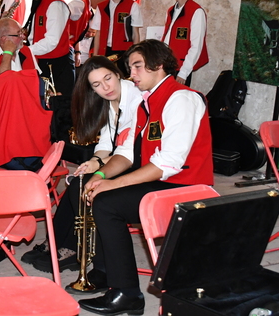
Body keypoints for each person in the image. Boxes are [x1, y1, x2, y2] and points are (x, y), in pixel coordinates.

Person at [77, 39, 213, 315]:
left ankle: (126, 293)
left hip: (187, 189)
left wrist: (113, 183)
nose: (132, 74)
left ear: (159, 65)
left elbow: (169, 163)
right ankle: (109, 275)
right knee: (100, 194)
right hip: (164, 184)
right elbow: (127, 152)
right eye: (130, 68)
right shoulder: (146, 103)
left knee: (107, 203)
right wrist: (101, 174)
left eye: (137, 66)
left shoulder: (182, 98)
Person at [22, 56, 142, 276]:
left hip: (136, 162)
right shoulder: (109, 102)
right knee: (77, 182)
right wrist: (93, 161)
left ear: (117, 74)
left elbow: (129, 149)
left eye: (108, 78)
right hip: (118, 159)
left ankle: (72, 249)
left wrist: (99, 165)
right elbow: (106, 143)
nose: (105, 87)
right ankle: (57, 241)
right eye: (97, 84)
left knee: (81, 186)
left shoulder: (136, 98)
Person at [19, 0, 75, 97]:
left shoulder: (55, 4)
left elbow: (51, 41)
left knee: (57, 104)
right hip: (45, 60)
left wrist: (26, 50)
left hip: (57, 65)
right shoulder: (42, 0)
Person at [162, 0, 208, 86]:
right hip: (166, 66)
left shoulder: (196, 12)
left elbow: (196, 46)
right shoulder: (171, 10)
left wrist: (184, 72)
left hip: (180, 69)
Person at [91, 0, 143, 67]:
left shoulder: (132, 6)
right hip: (104, 51)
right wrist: (95, 56)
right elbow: (98, 33)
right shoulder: (101, 6)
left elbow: (135, 34)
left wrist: (136, 56)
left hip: (124, 52)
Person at [0, 17, 38, 85]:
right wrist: (8, 52)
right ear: (4, 39)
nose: (23, 37)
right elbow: (1, 82)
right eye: (18, 34)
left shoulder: (26, 51)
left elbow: (38, 78)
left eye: (22, 32)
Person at [68, 0, 110, 68]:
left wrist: (77, 52)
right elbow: (60, 18)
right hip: (65, 45)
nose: (103, 6)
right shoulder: (79, 4)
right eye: (103, 2)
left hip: (71, 46)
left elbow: (78, 35)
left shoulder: (89, 10)